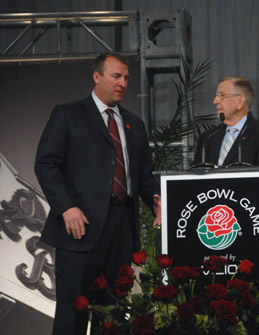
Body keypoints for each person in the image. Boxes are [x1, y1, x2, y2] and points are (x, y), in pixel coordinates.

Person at [35, 53, 161, 334]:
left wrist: (159, 201)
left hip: (122, 230)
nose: (123, 83)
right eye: (116, 76)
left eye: (126, 78)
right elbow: (46, 164)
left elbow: (143, 176)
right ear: (97, 77)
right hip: (81, 228)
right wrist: (67, 206)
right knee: (73, 314)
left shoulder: (134, 124)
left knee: (114, 316)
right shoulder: (68, 114)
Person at [192, 76, 259, 167]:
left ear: (240, 101)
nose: (215, 101)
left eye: (222, 95)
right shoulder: (208, 138)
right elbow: (196, 172)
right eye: (216, 96)